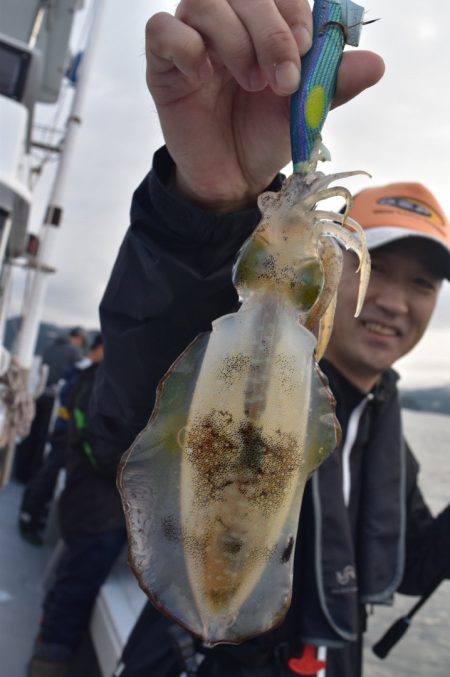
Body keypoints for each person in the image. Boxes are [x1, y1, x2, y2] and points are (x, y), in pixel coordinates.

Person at [28, 333, 127, 677]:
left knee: (67, 586)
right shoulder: (99, 383)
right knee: (73, 591)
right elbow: (100, 453)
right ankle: (46, 662)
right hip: (96, 513)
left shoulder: (97, 380)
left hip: (89, 507)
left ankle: (46, 645)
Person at [18, 333, 104, 545]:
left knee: (49, 471)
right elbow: (70, 397)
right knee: (49, 472)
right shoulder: (85, 369)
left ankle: (34, 512)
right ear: (99, 348)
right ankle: (28, 517)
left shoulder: (84, 367)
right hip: (67, 431)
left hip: (67, 430)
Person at [14, 326, 87, 483]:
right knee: (42, 436)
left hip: (38, 395)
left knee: (30, 433)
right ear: (78, 339)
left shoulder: (50, 347)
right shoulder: (74, 353)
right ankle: (33, 476)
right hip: (54, 401)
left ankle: (20, 472)